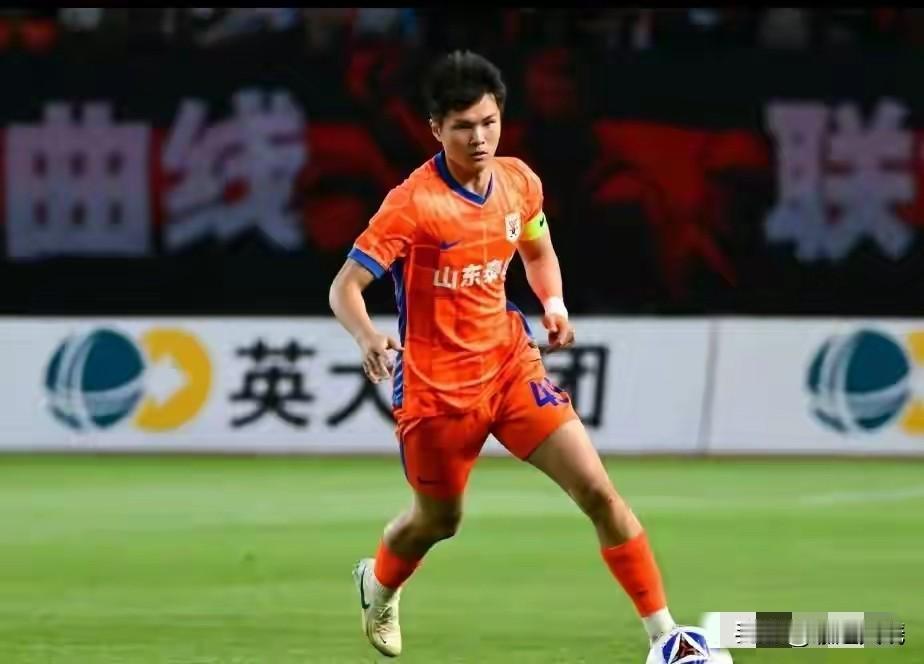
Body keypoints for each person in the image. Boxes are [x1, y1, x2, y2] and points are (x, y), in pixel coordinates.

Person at [328, 50, 678, 658]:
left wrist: (554, 303)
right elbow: (345, 287)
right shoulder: (413, 204)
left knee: (599, 493)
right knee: (438, 522)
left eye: (489, 122)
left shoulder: (519, 182)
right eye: (463, 126)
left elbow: (537, 250)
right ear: (436, 129)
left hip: (512, 368)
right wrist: (366, 336)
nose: (479, 137)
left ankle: (667, 638)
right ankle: (378, 584)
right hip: (437, 392)